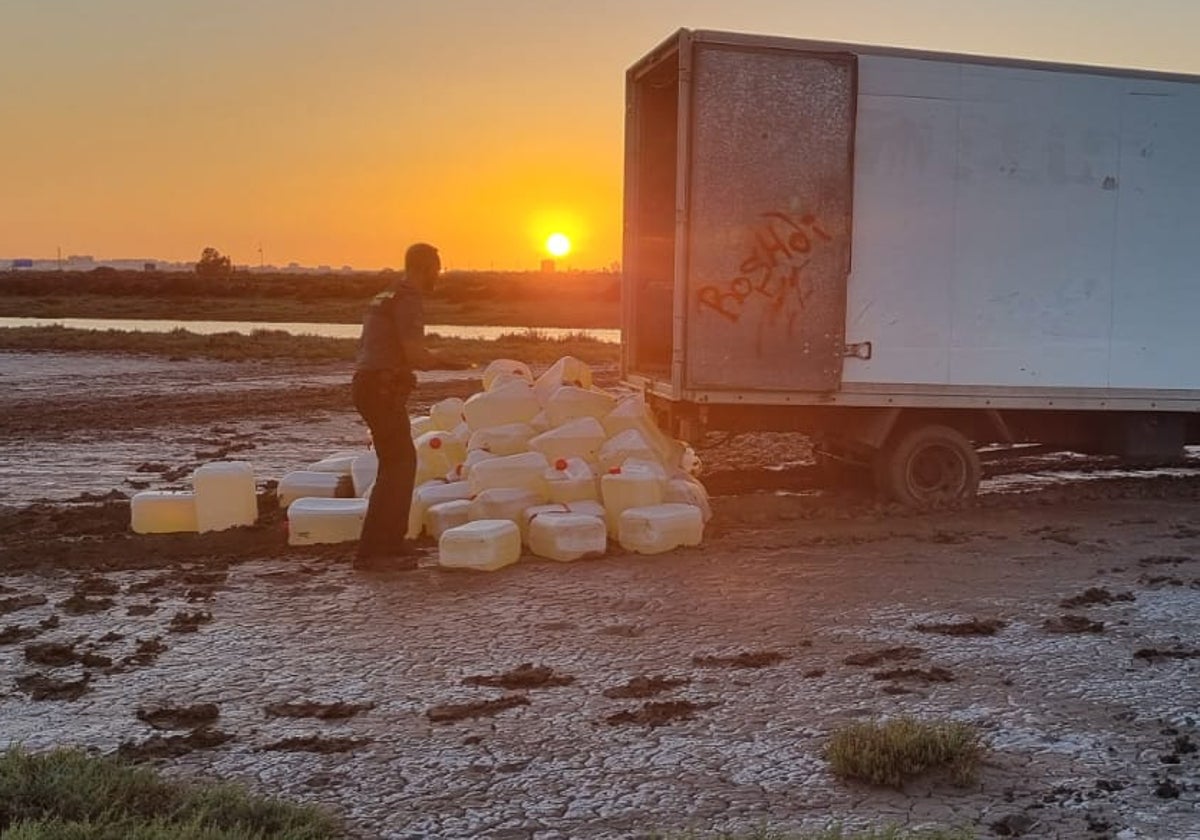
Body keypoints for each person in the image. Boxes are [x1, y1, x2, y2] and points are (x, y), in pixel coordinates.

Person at [352, 242, 450, 571]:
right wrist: (450, 362)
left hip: (370, 384)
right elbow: (415, 354)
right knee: (399, 464)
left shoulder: (385, 295)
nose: (439, 274)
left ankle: (389, 544)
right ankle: (376, 552)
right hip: (381, 388)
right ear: (425, 267)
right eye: (437, 268)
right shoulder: (408, 298)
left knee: (396, 463)